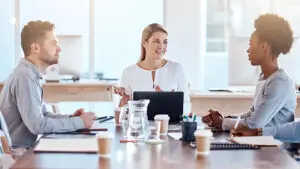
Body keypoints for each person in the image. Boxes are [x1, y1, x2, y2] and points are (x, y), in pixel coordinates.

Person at [0, 21, 96, 148]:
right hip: (18, 157)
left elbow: (42, 114)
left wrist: (70, 118)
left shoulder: (30, 74)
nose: (59, 48)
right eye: (53, 43)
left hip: (26, 152)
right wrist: (79, 122)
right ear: (36, 48)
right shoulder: (24, 76)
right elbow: (37, 125)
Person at [202, 14, 296, 131]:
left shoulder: (279, 82)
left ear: (264, 46)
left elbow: (254, 124)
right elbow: (253, 115)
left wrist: (223, 123)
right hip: (262, 144)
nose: (248, 49)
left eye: (251, 44)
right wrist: (226, 119)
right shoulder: (265, 78)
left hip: (276, 147)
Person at [114, 23, 190, 110]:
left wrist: (169, 102)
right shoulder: (128, 72)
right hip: (139, 123)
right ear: (144, 43)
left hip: (169, 123)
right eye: (156, 41)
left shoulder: (176, 69)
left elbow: (186, 108)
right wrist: (123, 103)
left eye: (165, 42)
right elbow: (121, 112)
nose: (161, 46)